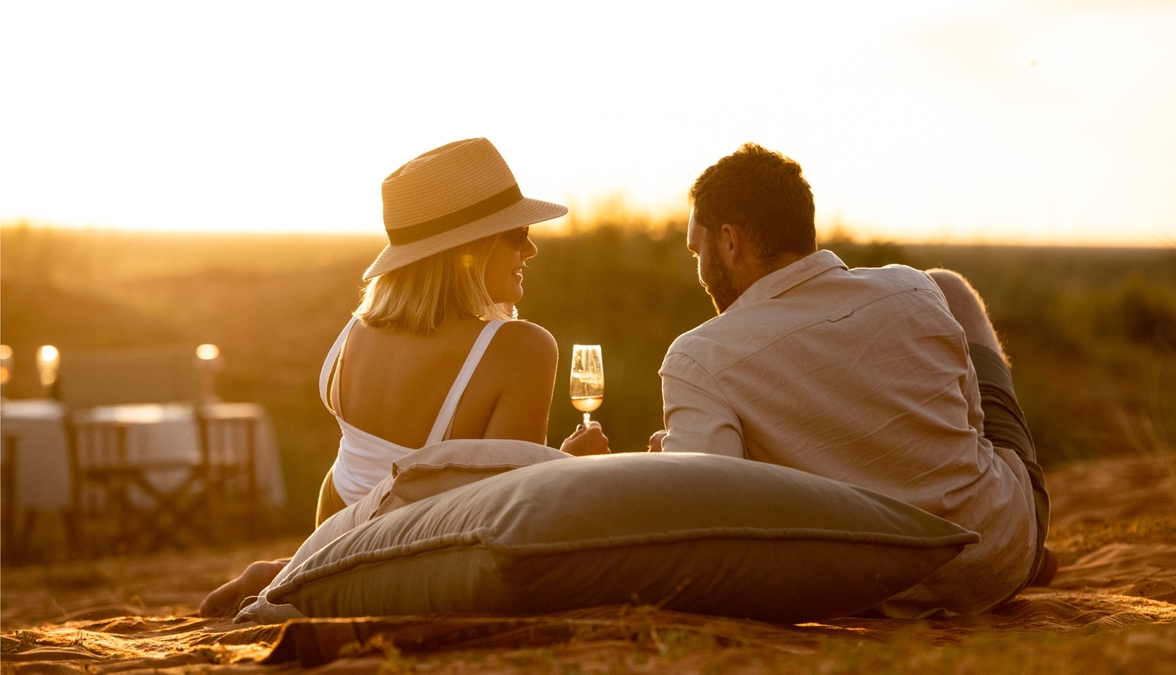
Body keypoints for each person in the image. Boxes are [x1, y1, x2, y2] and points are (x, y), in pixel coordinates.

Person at [201, 138, 608, 617]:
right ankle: (291, 573)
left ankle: (289, 569)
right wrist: (568, 462)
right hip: (407, 562)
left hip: (331, 536)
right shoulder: (521, 348)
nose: (532, 248)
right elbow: (506, 508)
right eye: (517, 234)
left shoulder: (355, 332)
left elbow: (352, 476)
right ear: (471, 249)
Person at [649, 142, 1052, 618]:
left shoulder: (697, 358)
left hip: (873, 589)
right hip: (999, 554)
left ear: (731, 241)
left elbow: (706, 515)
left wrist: (664, 473)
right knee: (953, 287)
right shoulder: (915, 287)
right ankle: (1034, 553)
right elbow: (972, 424)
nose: (699, 270)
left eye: (699, 249)